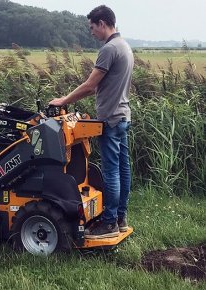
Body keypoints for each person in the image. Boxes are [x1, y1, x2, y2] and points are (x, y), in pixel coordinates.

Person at [49, 5, 134, 239]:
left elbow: (90, 85)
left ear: (103, 23)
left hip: (110, 120)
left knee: (111, 173)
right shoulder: (125, 46)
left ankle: (109, 224)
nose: (92, 32)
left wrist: (63, 100)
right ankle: (120, 219)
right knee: (123, 170)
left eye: (92, 27)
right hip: (123, 116)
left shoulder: (109, 49)